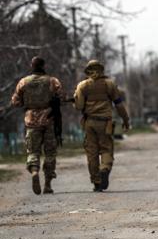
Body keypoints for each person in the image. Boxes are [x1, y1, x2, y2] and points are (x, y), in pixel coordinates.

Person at [73, 60, 130, 192]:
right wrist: (125, 120)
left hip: (89, 123)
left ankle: (97, 182)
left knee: (92, 153)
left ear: (88, 70)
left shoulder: (82, 86)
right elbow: (119, 104)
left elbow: (79, 106)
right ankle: (104, 169)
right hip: (105, 122)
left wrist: (74, 102)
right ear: (101, 70)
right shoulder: (109, 84)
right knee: (106, 149)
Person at [11, 56, 63, 195]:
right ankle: (47, 185)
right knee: (50, 153)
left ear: (31, 66)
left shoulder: (23, 82)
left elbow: (15, 101)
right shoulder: (52, 81)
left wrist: (27, 103)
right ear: (43, 66)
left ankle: (34, 172)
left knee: (33, 151)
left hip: (31, 121)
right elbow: (61, 97)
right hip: (49, 119)